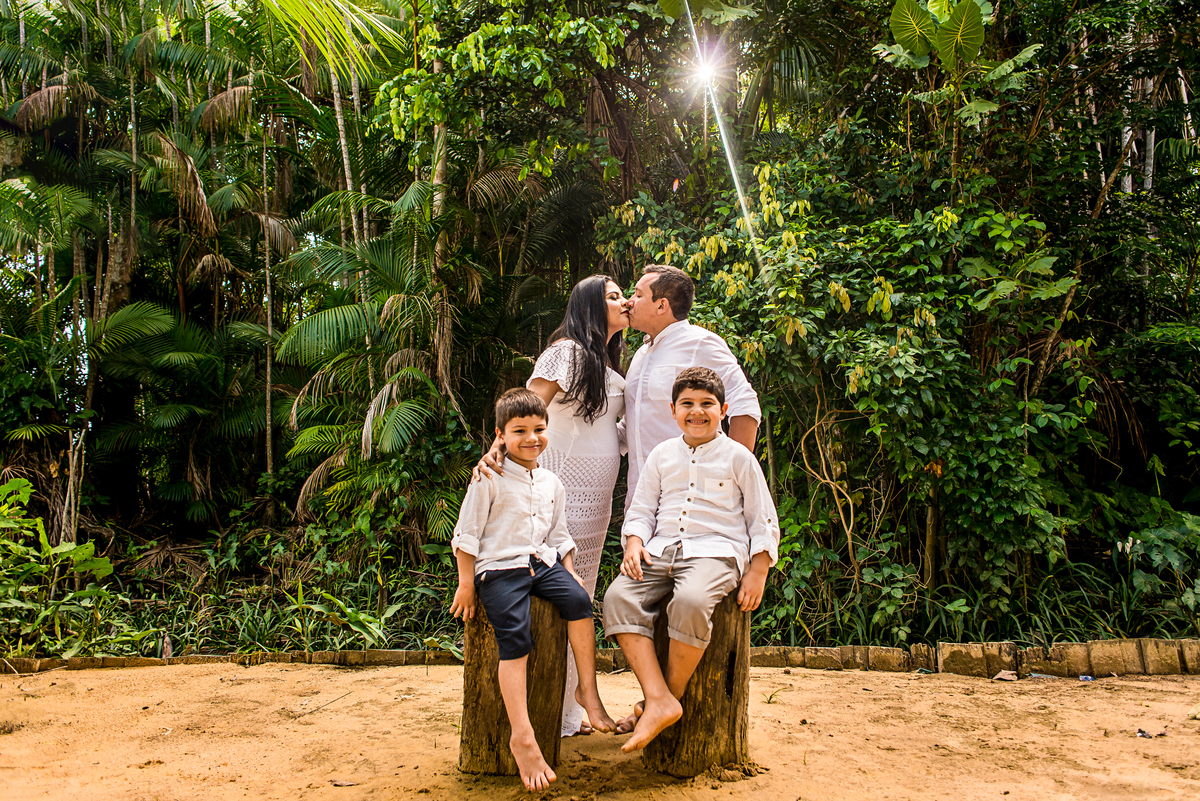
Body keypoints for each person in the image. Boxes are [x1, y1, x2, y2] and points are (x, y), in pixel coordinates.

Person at [475, 275, 629, 736]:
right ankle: (544, 711)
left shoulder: (613, 366)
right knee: (550, 584)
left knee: (578, 587)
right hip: (555, 483)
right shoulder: (566, 352)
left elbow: (611, 431)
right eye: (614, 296)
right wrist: (496, 452)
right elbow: (527, 413)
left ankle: (566, 713)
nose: (624, 302)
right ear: (589, 305)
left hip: (598, 496)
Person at [602, 367, 779, 752]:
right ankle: (658, 698)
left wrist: (759, 569)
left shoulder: (739, 458)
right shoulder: (663, 455)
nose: (696, 412)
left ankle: (667, 699)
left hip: (716, 553)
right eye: (687, 404)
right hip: (661, 549)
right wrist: (634, 543)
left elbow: (762, 518)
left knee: (692, 601)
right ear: (673, 410)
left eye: (706, 405)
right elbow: (641, 509)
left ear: (724, 410)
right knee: (617, 598)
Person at [451, 388, 616, 791]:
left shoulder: (551, 482)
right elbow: (467, 534)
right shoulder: (486, 476)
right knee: (517, 638)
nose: (531, 438)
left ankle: (587, 691)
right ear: (500, 434)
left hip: (541, 564)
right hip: (499, 569)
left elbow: (559, 535)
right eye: (519, 430)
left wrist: (571, 570)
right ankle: (522, 734)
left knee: (579, 601)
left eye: (539, 429)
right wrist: (465, 584)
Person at [621, 264, 761, 513]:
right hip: (640, 499)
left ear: (661, 305)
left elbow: (744, 401)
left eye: (638, 294)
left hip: (694, 496)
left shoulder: (700, 342)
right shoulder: (641, 355)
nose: (629, 302)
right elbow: (631, 425)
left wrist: (734, 473)